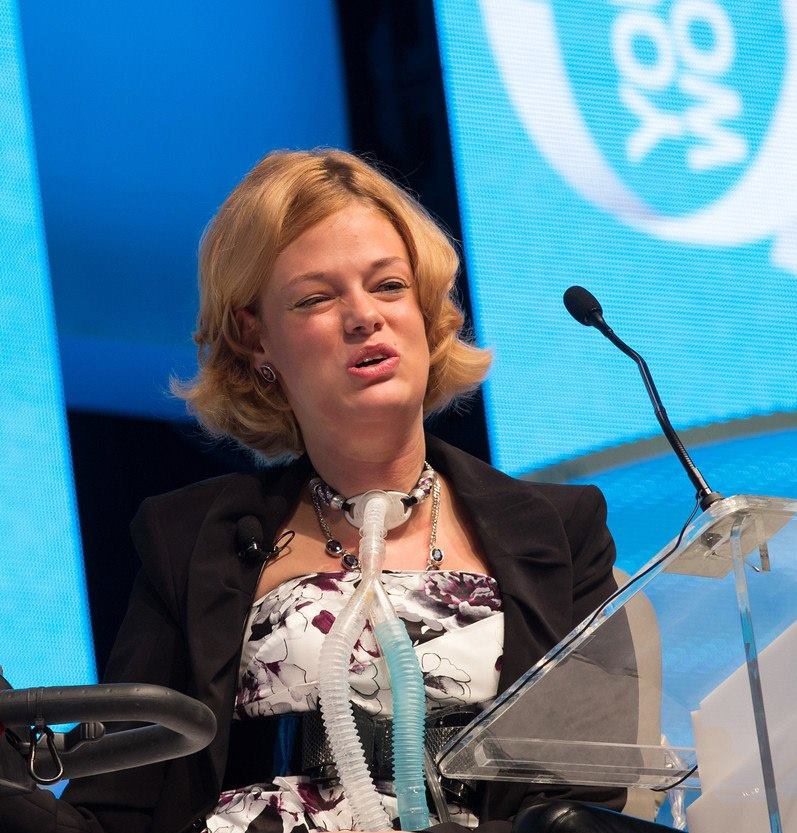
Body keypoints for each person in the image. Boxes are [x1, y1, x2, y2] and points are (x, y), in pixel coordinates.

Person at [0, 149, 625, 833]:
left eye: (388, 286)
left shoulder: (561, 531)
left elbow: (584, 804)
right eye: (317, 298)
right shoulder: (189, 541)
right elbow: (116, 814)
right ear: (255, 337)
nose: (364, 316)